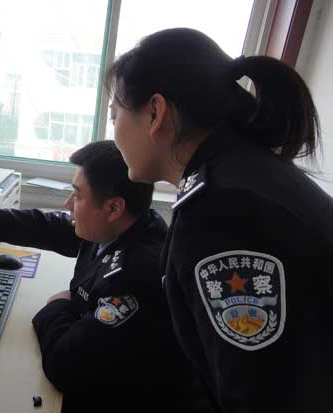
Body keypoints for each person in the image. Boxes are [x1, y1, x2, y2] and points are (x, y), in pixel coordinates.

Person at [106, 27, 332, 412]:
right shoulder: (243, 172)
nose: (113, 133)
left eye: (115, 115)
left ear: (155, 113)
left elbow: (256, 397)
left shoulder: (223, 214)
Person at [0, 141, 210, 412]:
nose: (67, 205)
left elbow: (65, 366)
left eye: (78, 195)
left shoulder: (135, 275)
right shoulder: (129, 224)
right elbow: (45, 225)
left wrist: (57, 306)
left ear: (113, 207)